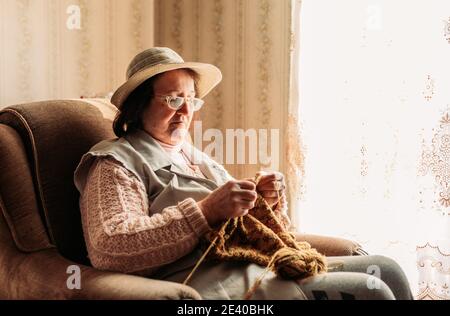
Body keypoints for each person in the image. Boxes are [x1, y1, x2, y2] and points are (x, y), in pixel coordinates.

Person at [74, 47, 413, 300]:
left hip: (258, 265)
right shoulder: (114, 163)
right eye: (173, 99)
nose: (186, 111)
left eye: (192, 100)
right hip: (216, 285)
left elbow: (250, 231)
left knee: (387, 269)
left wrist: (267, 203)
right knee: (373, 290)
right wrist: (206, 211)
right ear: (138, 105)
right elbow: (110, 248)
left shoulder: (200, 160)